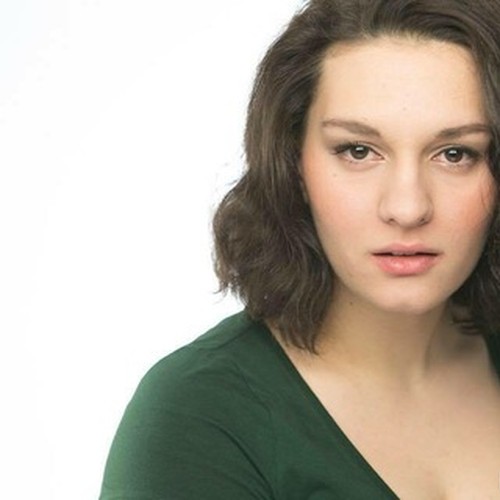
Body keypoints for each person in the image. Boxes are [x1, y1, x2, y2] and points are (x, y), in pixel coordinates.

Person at [99, 0, 500, 498]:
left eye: (455, 154)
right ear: (294, 165)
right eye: (358, 151)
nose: (407, 207)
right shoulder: (198, 416)